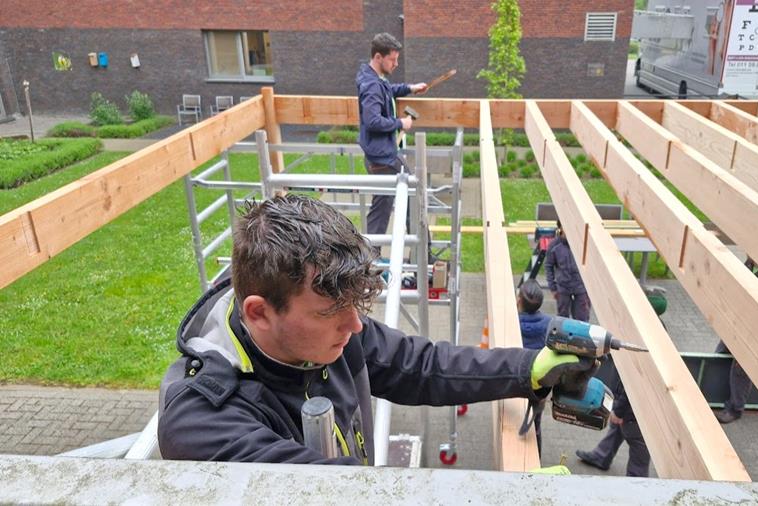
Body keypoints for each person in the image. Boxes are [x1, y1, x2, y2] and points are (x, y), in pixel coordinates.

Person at [157, 195, 596, 465]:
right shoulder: (203, 420)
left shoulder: (334, 331)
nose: (355, 326)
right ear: (259, 313)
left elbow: (420, 365)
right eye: (331, 312)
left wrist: (526, 369)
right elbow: (331, 493)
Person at [356, 33, 427, 241]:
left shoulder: (373, 77)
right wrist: (400, 123)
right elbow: (372, 121)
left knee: (381, 209)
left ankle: (369, 259)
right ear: (378, 57)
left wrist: (410, 88)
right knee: (413, 195)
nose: (396, 64)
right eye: (392, 59)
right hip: (383, 158)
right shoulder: (371, 86)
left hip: (378, 155)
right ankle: (423, 254)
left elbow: (388, 90)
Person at [715, 257, 758, 424]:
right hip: (739, 322)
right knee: (719, 355)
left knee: (741, 367)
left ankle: (735, 409)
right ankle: (713, 393)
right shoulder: (749, 265)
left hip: (756, 329)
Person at [575, 358, 650, 477]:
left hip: (636, 411)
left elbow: (633, 387)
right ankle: (602, 456)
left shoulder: (639, 358)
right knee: (617, 429)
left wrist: (619, 411)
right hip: (627, 404)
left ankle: (636, 482)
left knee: (639, 445)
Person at [516, 279, 553, 453]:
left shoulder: (511, 323)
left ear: (518, 301)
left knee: (511, 421)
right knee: (535, 424)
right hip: (539, 386)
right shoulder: (549, 324)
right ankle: (535, 456)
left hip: (513, 381)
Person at [545, 220, 591, 322]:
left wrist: (590, 288)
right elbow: (548, 266)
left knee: (582, 320)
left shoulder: (582, 242)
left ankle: (581, 338)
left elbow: (592, 264)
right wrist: (553, 288)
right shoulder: (554, 246)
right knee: (562, 321)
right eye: (566, 227)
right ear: (560, 228)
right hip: (563, 289)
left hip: (581, 288)